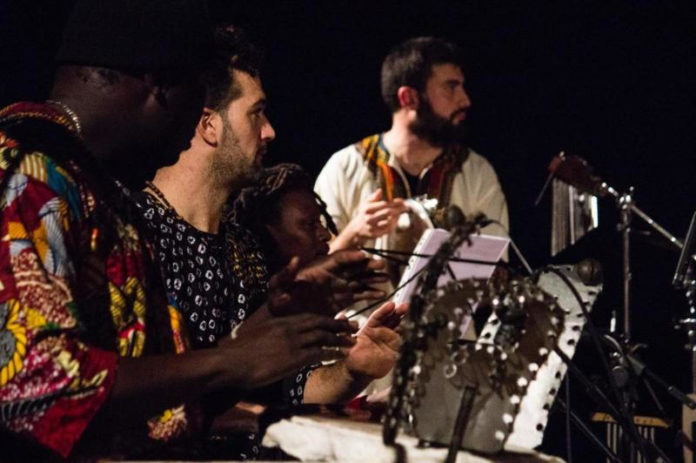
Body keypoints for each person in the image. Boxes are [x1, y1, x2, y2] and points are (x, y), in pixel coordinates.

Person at [0, 3, 357, 461]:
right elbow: (35, 391)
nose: (191, 134)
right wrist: (227, 361)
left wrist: (265, 329)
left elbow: (159, 407)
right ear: (160, 86)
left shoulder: (98, 189)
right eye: (195, 103)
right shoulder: (27, 173)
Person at [136, 26, 402, 411]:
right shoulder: (134, 231)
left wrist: (353, 369)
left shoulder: (244, 247)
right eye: (256, 113)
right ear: (209, 125)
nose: (269, 131)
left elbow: (279, 387)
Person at [315, 37, 509, 282]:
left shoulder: (476, 172)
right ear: (409, 98)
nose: (465, 100)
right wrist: (353, 233)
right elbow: (311, 276)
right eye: (451, 87)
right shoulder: (343, 167)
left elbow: (500, 273)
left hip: (453, 309)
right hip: (366, 310)